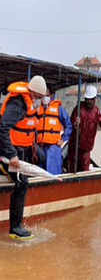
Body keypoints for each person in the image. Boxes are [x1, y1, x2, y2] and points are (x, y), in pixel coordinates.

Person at [0, 75, 47, 240]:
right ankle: (15, 228)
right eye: (38, 98)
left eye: (41, 98)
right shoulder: (18, 103)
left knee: (40, 160)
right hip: (7, 152)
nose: (39, 101)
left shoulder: (30, 102)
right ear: (32, 93)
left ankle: (16, 225)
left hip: (20, 151)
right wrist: (11, 154)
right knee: (22, 183)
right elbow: (3, 127)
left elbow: (31, 124)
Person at [67, 84, 101, 172]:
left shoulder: (97, 112)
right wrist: (76, 124)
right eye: (87, 99)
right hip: (74, 148)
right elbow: (70, 126)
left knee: (85, 171)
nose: (89, 101)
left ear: (94, 99)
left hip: (86, 149)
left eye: (91, 99)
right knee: (72, 170)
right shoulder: (78, 109)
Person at [37, 88, 72, 175]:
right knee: (39, 172)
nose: (45, 98)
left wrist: (63, 139)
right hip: (40, 147)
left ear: (52, 95)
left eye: (47, 95)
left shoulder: (58, 109)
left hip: (54, 147)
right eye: (43, 96)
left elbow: (68, 125)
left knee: (53, 172)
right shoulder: (37, 109)